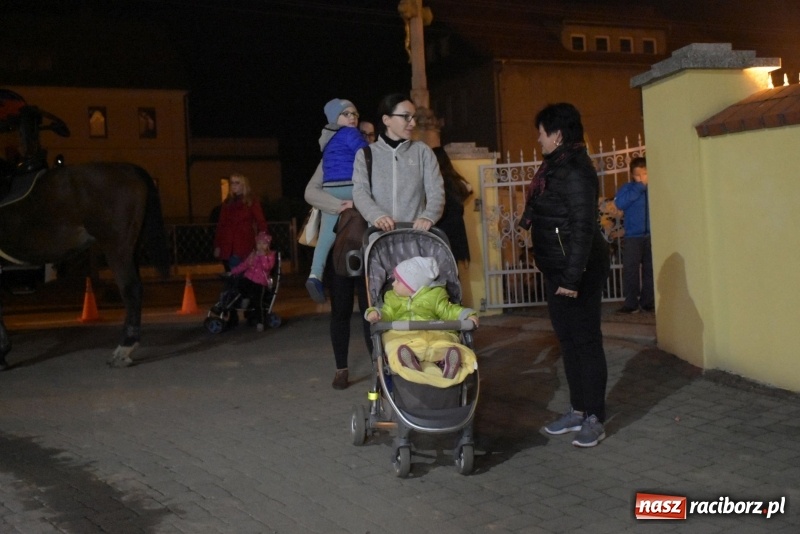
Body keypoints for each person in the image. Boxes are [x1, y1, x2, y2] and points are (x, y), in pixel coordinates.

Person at [519, 103, 610, 448]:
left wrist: (572, 280)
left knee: (586, 342)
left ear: (556, 134)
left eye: (541, 132)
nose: (538, 139)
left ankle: (594, 417)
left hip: (579, 271)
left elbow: (584, 227)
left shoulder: (575, 171)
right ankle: (577, 409)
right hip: (557, 269)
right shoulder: (553, 166)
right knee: (568, 342)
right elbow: (543, 206)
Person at [304, 161, 373, 390]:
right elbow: (311, 192)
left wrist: (359, 204)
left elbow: (383, 195)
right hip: (340, 248)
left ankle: (379, 365)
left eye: (368, 135)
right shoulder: (330, 159)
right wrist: (340, 205)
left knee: (370, 311)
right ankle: (341, 369)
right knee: (340, 311)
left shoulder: (371, 157)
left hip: (368, 246)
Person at [365, 256, 478, 387]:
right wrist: (376, 314)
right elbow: (387, 312)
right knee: (392, 345)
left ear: (413, 285)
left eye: (398, 280)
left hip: (434, 336)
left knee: (448, 343)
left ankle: (446, 362)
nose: (393, 284)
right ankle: (409, 361)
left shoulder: (435, 296)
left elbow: (450, 311)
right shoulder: (392, 298)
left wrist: (467, 315)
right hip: (405, 338)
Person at [305, 98, 368, 304]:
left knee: (325, 238)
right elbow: (364, 153)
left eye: (355, 114)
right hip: (350, 187)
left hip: (331, 189)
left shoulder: (327, 141)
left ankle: (315, 275)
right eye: (347, 114)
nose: (352, 118)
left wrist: (335, 204)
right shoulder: (351, 134)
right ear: (336, 118)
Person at [352, 93, 445, 233]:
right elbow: (360, 192)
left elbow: (436, 192)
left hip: (415, 238)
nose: (412, 123)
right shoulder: (366, 155)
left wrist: (428, 217)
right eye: (406, 116)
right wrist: (377, 216)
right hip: (379, 238)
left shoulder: (423, 152)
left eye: (413, 117)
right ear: (386, 120)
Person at [614, 157, 654, 314]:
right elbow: (620, 203)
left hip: (650, 235)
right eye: (638, 175)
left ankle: (647, 302)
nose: (641, 178)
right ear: (632, 175)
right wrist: (638, 189)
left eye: (644, 174)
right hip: (633, 236)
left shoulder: (653, 189)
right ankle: (631, 303)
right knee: (630, 270)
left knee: (649, 270)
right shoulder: (628, 188)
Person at [213, 173, 268, 272]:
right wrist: (217, 245)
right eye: (232, 183)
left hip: (243, 244)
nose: (233, 185)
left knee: (237, 276)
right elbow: (221, 225)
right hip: (227, 245)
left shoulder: (251, 201)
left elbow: (261, 222)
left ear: (243, 185)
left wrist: (263, 241)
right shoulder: (227, 203)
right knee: (231, 274)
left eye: (237, 183)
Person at [228, 231, 276, 331]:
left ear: (268, 245)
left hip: (260, 281)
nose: (261, 246)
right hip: (249, 277)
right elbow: (244, 265)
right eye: (259, 243)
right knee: (240, 283)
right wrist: (233, 271)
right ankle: (245, 298)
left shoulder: (270, 256)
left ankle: (260, 322)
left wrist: (262, 256)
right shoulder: (253, 254)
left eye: (264, 244)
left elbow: (267, 268)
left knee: (257, 301)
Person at [432, 146, 472, 264]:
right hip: (456, 229)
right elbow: (468, 189)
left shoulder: (438, 181)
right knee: (453, 268)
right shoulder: (454, 180)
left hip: (442, 229)